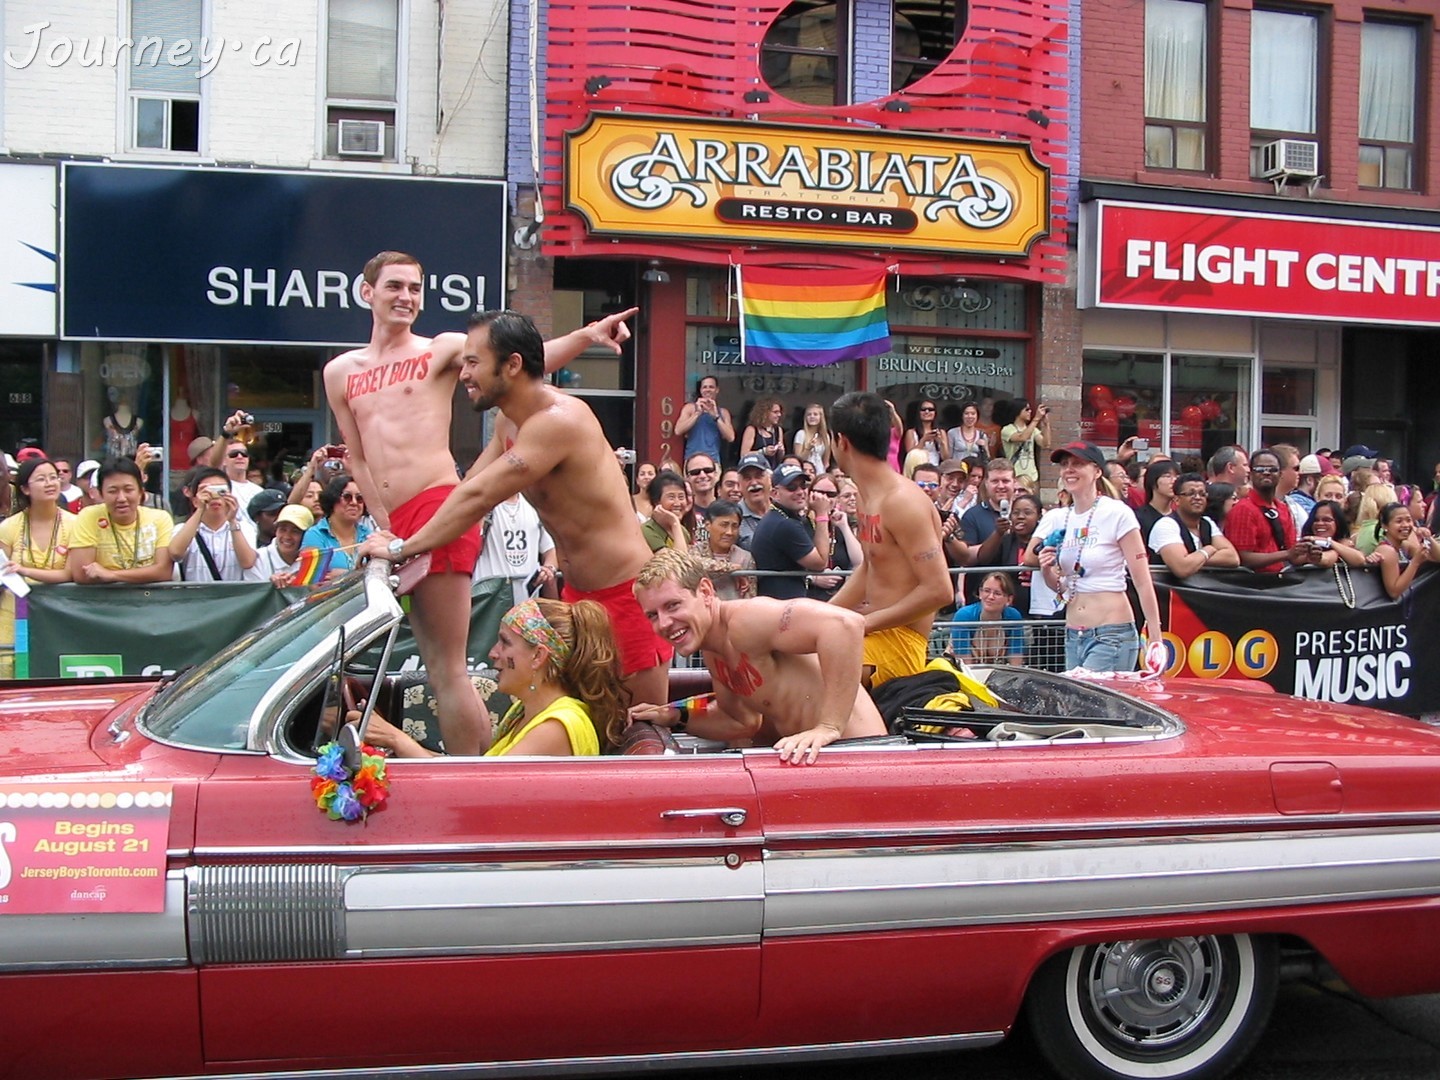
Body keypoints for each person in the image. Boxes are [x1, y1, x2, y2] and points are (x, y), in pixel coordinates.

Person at [357, 308, 674, 711]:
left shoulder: (558, 421)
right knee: (584, 727)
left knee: (639, 732)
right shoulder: (509, 423)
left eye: (473, 362)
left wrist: (402, 548)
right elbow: (469, 485)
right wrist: (404, 535)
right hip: (577, 598)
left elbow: (477, 498)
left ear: (512, 366)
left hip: (627, 594)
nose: (464, 373)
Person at [630, 549, 886, 764]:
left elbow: (844, 625)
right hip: (823, 757)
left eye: (673, 605)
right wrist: (672, 715)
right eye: (652, 615)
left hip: (863, 755)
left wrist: (829, 726)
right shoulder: (713, 652)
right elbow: (739, 722)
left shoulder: (747, 620)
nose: (664, 623)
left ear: (706, 592)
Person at [364, 598, 625, 758]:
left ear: (538, 656)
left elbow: (478, 789)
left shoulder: (557, 726)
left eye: (504, 643)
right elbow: (474, 772)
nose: (492, 653)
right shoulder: (526, 712)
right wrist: (396, 742)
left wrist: (396, 740)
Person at [828, 392, 953, 687]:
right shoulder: (864, 495)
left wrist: (864, 623)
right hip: (871, 632)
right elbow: (870, 567)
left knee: (808, 673)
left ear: (841, 441)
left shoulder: (903, 502)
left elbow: (939, 591)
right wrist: (823, 614)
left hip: (902, 643)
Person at [1025, 441, 1162, 672]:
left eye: (1077, 464)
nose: (1069, 470)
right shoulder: (1061, 518)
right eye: (1065, 464)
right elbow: (1061, 587)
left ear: (1097, 471)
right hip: (1073, 633)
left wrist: (1156, 638)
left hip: (1111, 633)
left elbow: (1141, 579)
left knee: (1095, 707)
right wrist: (1047, 569)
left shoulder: (1117, 513)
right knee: (1077, 707)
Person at [0, 458, 76, 677]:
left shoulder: (75, 524)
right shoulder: (9, 527)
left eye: (54, 477)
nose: (50, 483)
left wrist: (25, 571)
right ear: (24, 488)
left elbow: (69, 573)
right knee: (7, 668)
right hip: (13, 611)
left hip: (57, 613)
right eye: (41, 479)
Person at [67, 459, 175, 584]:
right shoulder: (88, 516)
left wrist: (111, 575)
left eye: (128, 490)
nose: (121, 498)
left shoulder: (160, 518)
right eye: (113, 491)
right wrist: (144, 574)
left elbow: (163, 571)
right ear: (101, 494)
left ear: (141, 492)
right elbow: (82, 574)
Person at [749, 463, 831, 601]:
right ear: (775, 494)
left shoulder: (780, 517)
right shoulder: (784, 524)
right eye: (791, 488)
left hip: (780, 600)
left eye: (803, 486)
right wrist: (822, 514)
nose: (800, 491)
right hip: (784, 602)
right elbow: (821, 563)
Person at [1223, 448, 1310, 573]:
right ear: (1251, 474)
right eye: (1260, 469)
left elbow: (1292, 554)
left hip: (1281, 581)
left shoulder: (1283, 508)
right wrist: (1287, 554)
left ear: (1280, 474)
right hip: (1253, 585)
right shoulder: (1243, 509)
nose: (1266, 473)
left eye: (1272, 469)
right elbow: (1242, 558)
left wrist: (1308, 555)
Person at [167, 467, 258, 581]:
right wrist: (200, 508)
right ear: (195, 500)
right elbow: (175, 553)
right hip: (197, 596)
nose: (215, 497)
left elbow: (248, 562)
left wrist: (233, 521)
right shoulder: (183, 529)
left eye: (221, 490)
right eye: (207, 491)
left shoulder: (244, 528)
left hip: (234, 597)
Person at [1149, 473, 1241, 578]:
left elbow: (1233, 558)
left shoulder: (1207, 522)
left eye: (1202, 494)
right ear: (1177, 500)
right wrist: (1208, 550)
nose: (1197, 498)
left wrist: (1194, 558)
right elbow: (1182, 568)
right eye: (1190, 493)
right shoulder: (1166, 525)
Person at [474, 491, 557, 607]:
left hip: (527, 604)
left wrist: (548, 569)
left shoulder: (534, 504)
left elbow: (550, 550)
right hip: (488, 603)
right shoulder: (482, 503)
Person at [301, 474, 373, 578]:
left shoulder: (368, 535)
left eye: (359, 498)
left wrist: (345, 574)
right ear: (332, 499)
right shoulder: (315, 535)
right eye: (347, 497)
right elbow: (315, 583)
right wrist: (362, 572)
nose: (354, 502)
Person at [949, 571, 1025, 666]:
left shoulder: (1013, 616)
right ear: (980, 593)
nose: (990, 597)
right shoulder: (964, 615)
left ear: (1009, 599)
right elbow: (964, 663)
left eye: (997, 593)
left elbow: (1016, 658)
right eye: (987, 591)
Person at [805, 473, 860, 603]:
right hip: (809, 597)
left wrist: (844, 526)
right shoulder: (801, 524)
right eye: (820, 492)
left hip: (838, 598)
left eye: (831, 495)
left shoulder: (838, 525)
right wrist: (813, 578)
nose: (824, 498)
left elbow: (859, 561)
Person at [1369, 501, 1439, 598]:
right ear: (1385, 526)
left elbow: (1437, 557)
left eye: (1408, 520)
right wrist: (1415, 562)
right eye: (1399, 521)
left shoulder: (1404, 546)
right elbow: (1393, 591)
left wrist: (1428, 538)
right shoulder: (1386, 550)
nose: (1405, 525)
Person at [693, 499, 755, 600]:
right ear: (708, 525)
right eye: (724, 525)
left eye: (734, 526)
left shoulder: (745, 558)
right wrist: (733, 568)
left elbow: (751, 597)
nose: (729, 532)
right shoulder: (696, 551)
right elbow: (695, 564)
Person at [245, 504, 314, 585]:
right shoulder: (258, 559)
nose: (287, 536)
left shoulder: (315, 558)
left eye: (295, 531)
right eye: (283, 529)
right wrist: (269, 585)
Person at [675, 376, 735, 464]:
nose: (708, 390)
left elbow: (731, 437)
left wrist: (716, 417)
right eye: (705, 387)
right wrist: (697, 413)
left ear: (717, 390)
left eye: (711, 387)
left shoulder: (723, 412)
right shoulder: (690, 408)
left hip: (713, 460)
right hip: (692, 458)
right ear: (700, 390)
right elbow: (678, 430)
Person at [1299, 500, 1370, 570]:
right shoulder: (1304, 544)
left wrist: (1330, 542)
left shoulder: (1343, 543)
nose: (1320, 523)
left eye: (1327, 520)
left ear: (1338, 522)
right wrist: (1340, 547)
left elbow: (1360, 560)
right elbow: (1326, 560)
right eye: (1316, 520)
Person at [996, 398, 1050, 489]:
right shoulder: (1007, 429)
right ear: (1017, 411)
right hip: (1015, 475)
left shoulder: (1032, 429)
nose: (1030, 412)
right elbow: (1022, 437)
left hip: (1031, 476)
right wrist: (1036, 419)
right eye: (1027, 409)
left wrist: (1046, 424)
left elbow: (1045, 443)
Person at [641, 469, 691, 553]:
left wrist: (675, 525)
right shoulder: (647, 530)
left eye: (681, 497)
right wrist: (674, 523)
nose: (677, 503)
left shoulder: (682, 530)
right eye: (671, 497)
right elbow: (676, 563)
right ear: (656, 501)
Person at [1135, 459, 1180, 551]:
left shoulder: (1180, 517)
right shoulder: (1138, 517)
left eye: (1177, 477)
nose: (1174, 481)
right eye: (1167, 476)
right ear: (1153, 481)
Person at [735, 454, 771, 549]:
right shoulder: (734, 516)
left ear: (770, 479)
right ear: (739, 485)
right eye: (747, 478)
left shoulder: (783, 509)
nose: (754, 483)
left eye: (759, 476)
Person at [740, 398, 786, 470]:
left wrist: (781, 450)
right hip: (755, 469)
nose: (779, 415)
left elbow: (780, 458)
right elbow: (743, 454)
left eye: (780, 412)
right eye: (775, 412)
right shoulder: (752, 429)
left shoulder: (778, 430)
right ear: (765, 413)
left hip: (773, 469)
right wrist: (763, 452)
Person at [903, 399, 948, 468]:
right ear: (919, 412)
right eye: (923, 409)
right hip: (916, 468)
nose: (927, 412)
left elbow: (946, 458)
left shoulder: (941, 432)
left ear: (935, 413)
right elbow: (910, 455)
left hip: (935, 468)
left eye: (930, 409)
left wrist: (941, 443)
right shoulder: (911, 432)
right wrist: (923, 440)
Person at [1287, 454, 1324, 534]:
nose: (1324, 484)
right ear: (1309, 480)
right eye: (1321, 479)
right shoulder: (1297, 501)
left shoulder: (1312, 499)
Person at [792, 403, 832, 472]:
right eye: (809, 414)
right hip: (805, 471)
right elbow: (798, 459)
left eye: (815, 414)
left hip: (820, 471)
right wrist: (808, 448)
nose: (812, 416)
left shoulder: (825, 436)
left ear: (821, 417)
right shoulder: (801, 434)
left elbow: (826, 462)